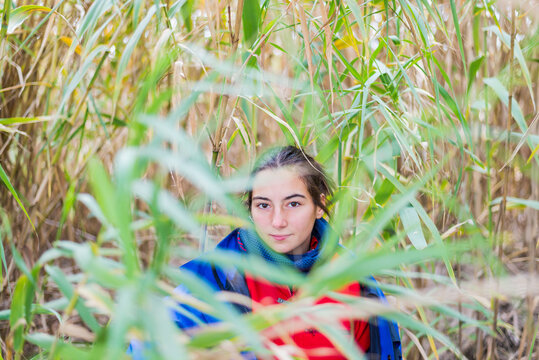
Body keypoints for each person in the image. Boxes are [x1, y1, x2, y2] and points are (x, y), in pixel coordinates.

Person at [129, 146, 401, 359]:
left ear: (320, 205)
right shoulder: (220, 276)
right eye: (263, 205)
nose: (277, 221)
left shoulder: (353, 281)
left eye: (293, 204)